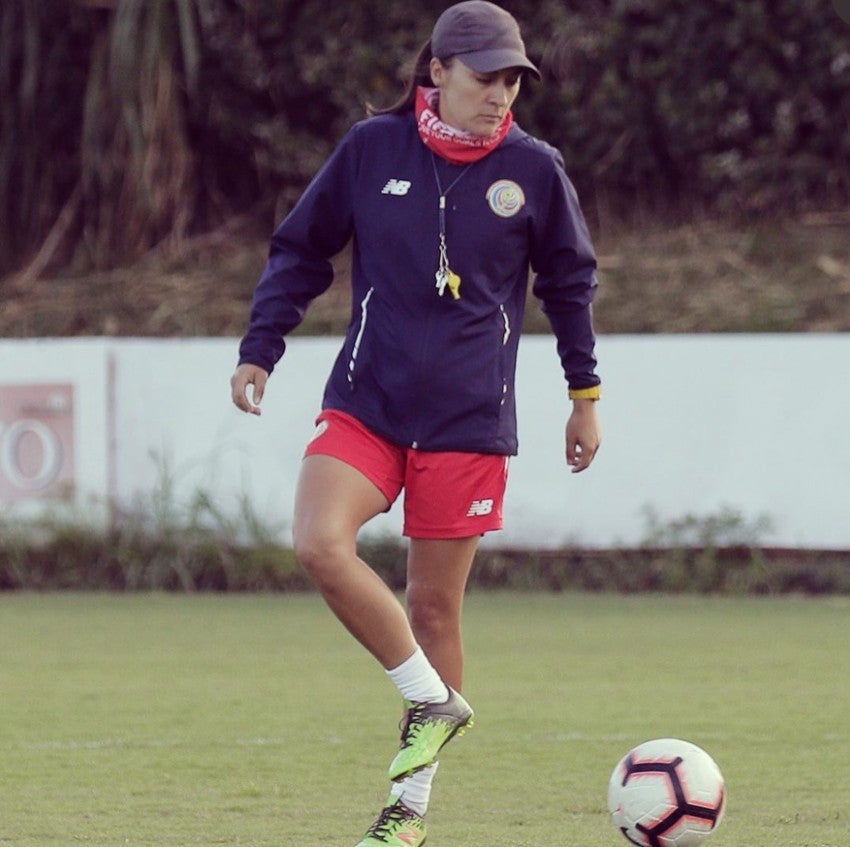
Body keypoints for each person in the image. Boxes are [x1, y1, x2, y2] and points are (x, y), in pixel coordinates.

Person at [230, 2, 602, 844]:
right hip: (367, 402)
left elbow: (570, 286)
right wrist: (263, 344)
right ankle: (432, 698)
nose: (501, 94)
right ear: (436, 71)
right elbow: (300, 250)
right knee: (320, 543)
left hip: (470, 423)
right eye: (485, 77)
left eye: (513, 79)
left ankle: (409, 811)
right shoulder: (371, 150)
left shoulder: (535, 170)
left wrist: (586, 397)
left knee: (434, 612)